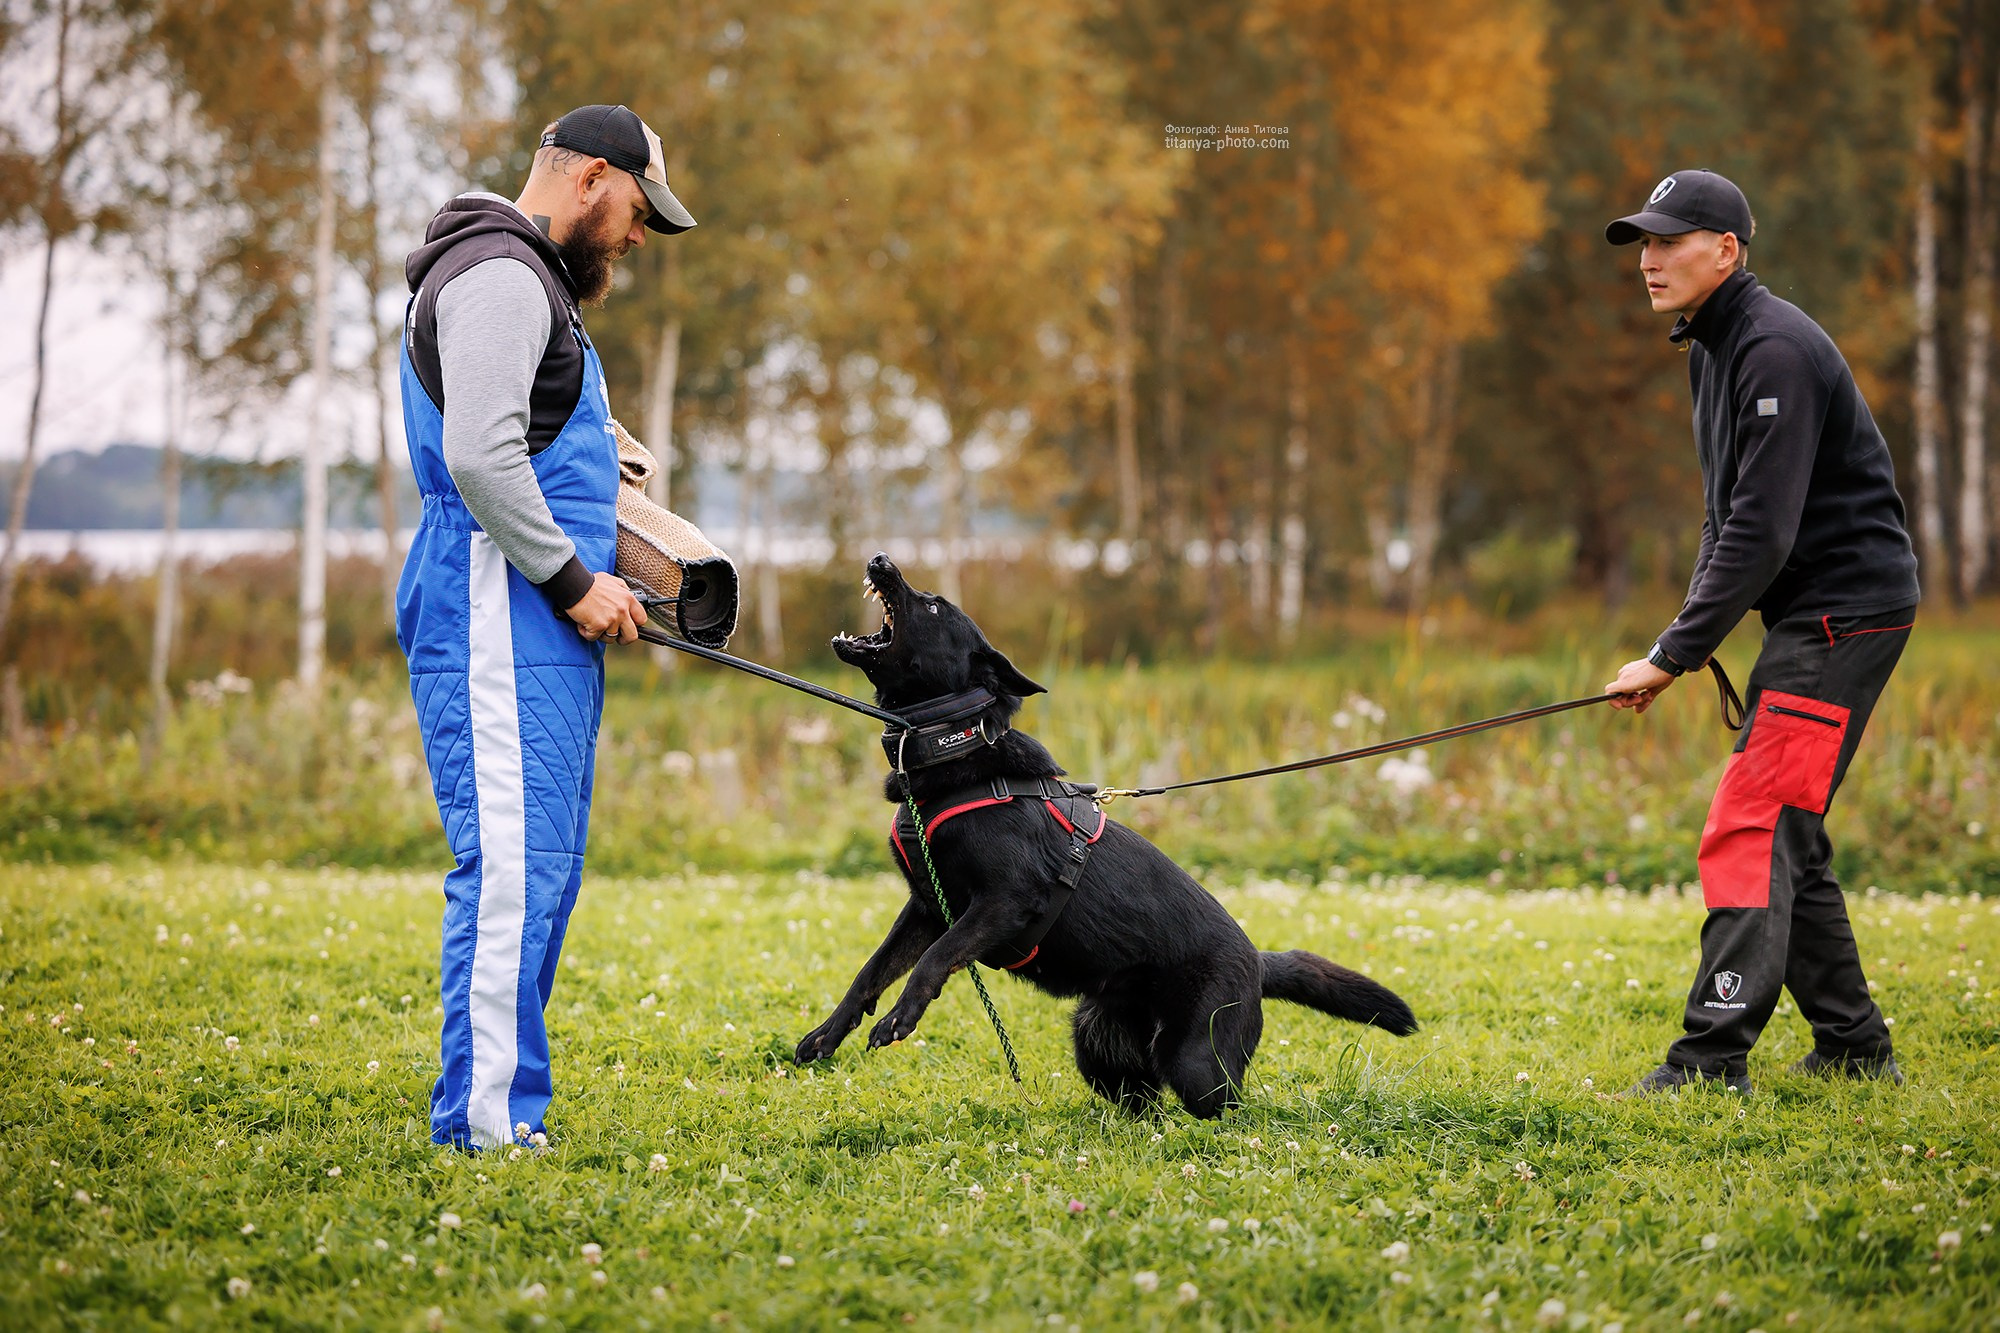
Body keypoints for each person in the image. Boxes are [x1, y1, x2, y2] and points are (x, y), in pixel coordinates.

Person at [396, 104, 695, 1150]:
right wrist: (574, 580)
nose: (635, 237)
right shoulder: (500, 276)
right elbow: (480, 458)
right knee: (515, 867)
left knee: (546, 865)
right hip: (497, 605)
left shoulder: (533, 287)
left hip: (531, 616)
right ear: (590, 178)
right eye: (634, 211)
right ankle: (482, 1126)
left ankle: (505, 1108)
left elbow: (529, 442)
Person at [1600, 169, 1920, 1096]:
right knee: (1790, 828)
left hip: (1846, 612)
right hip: (1818, 610)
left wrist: (1672, 653)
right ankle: (1856, 1047)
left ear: (1727, 250)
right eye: (1643, 244)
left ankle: (1709, 1059)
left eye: (1670, 241)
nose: (1650, 260)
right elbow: (1727, 517)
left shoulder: (1773, 347)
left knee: (1752, 820)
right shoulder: (1713, 343)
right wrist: (1681, 645)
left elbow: (1764, 530)